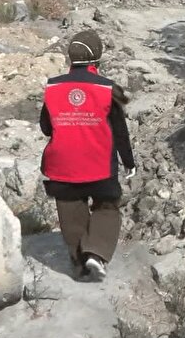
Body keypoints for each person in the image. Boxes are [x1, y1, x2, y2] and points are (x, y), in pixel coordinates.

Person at [39, 30, 135, 281]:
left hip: (61, 165)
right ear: (97, 58)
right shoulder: (107, 89)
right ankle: (96, 252)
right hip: (98, 164)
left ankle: (80, 265)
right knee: (107, 206)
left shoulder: (53, 87)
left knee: (71, 212)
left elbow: (46, 127)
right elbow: (120, 132)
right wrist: (129, 162)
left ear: (71, 58)